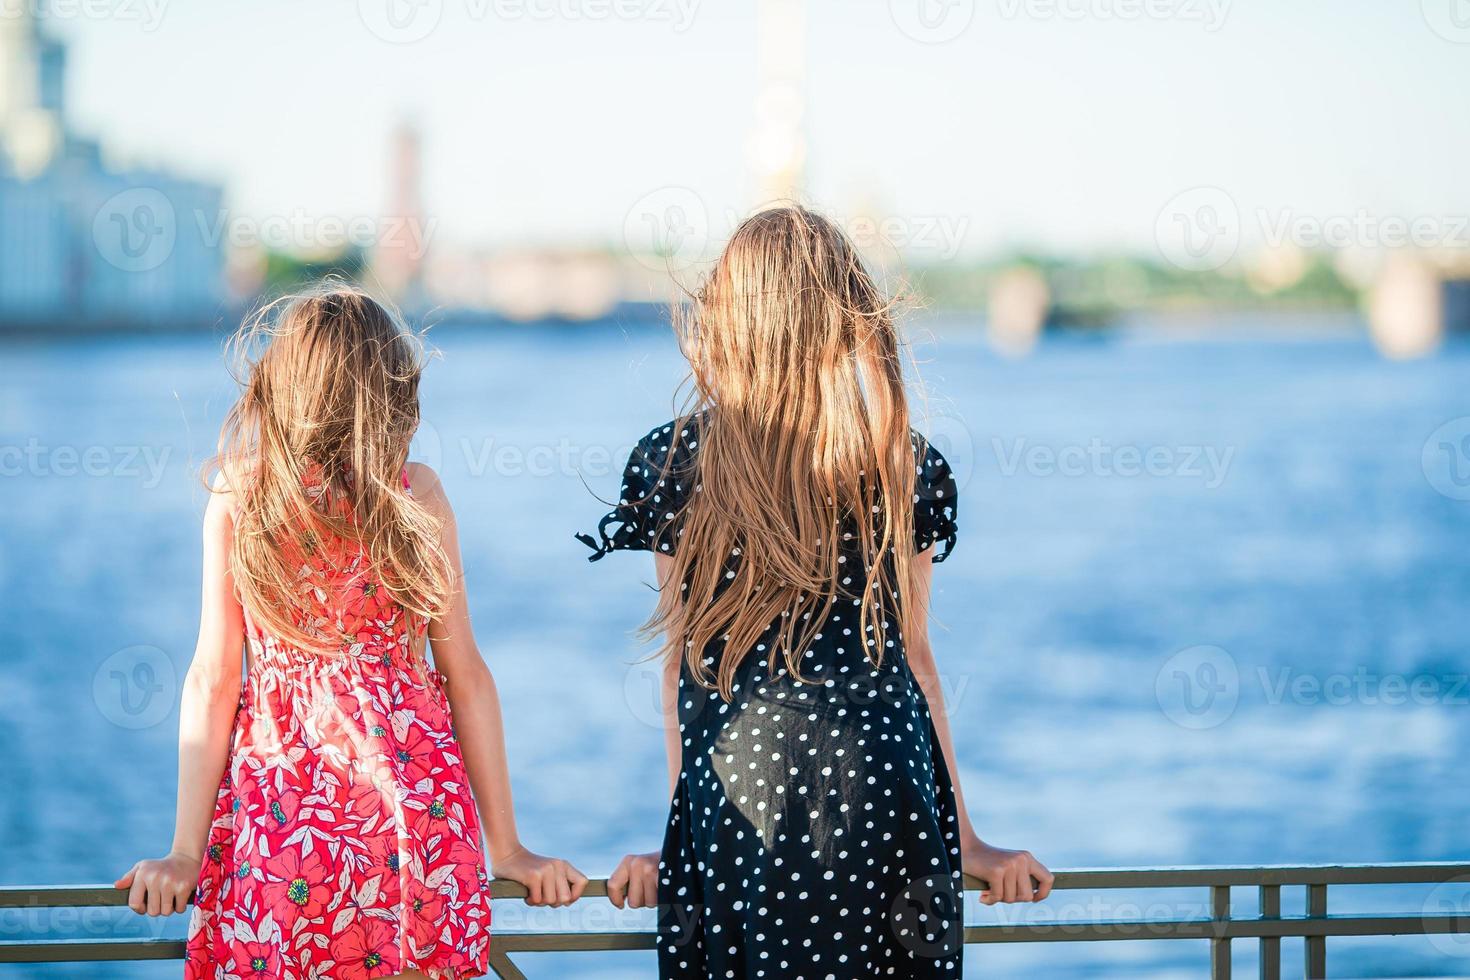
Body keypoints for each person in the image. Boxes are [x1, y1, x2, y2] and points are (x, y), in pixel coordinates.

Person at [580, 206, 1053, 978]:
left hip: (742, 796)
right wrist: (967, 839)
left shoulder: (674, 464)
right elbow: (917, 662)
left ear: (730, 319)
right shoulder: (904, 464)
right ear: (845, 314)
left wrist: (685, 834)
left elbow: (680, 668)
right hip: (883, 782)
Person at [116, 285, 586, 980]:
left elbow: (213, 680)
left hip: (286, 828)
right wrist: (508, 847)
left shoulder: (241, 499)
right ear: (391, 399)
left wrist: (186, 851)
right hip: (410, 823)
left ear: (278, 391)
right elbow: (467, 675)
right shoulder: (414, 494)